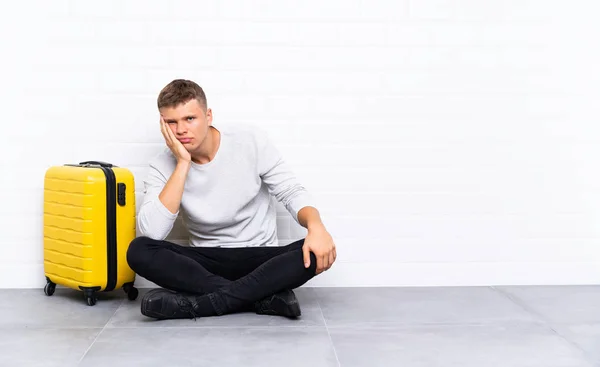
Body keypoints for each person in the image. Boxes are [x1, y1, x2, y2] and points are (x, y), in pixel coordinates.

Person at [126, 79, 337, 320]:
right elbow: (153, 232)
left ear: (208, 116)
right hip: (206, 262)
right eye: (171, 122)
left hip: (259, 258)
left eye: (190, 119)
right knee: (139, 250)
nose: (181, 130)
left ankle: (204, 304)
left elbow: (290, 191)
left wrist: (317, 227)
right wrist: (183, 162)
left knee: (314, 249)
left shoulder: (249, 140)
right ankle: (262, 297)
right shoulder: (163, 164)